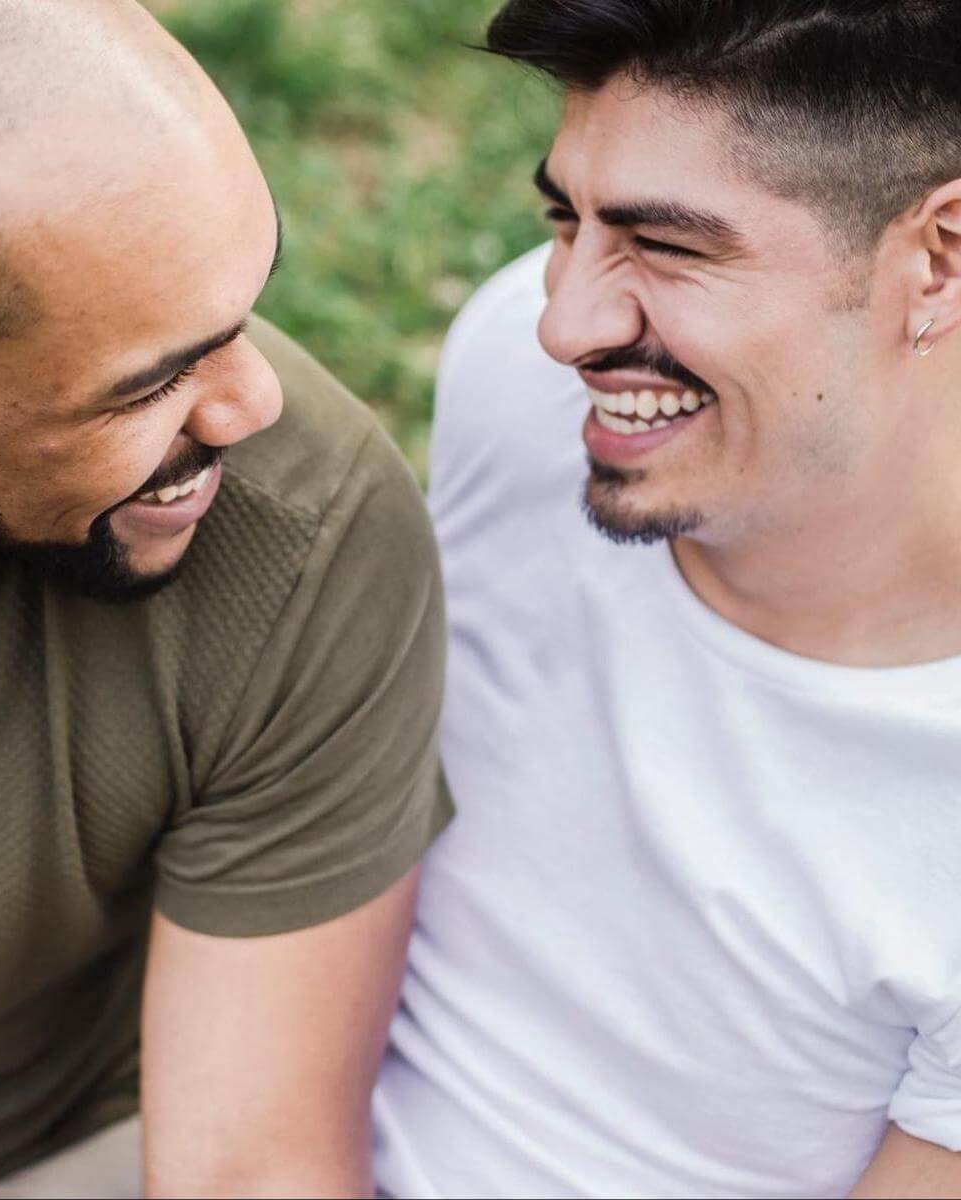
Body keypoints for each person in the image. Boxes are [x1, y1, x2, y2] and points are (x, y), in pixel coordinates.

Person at [0, 1, 451, 1196]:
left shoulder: (301, 519)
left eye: (242, 315)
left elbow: (248, 1164)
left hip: (98, 1143)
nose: (250, 407)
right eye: (151, 382)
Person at [372, 1, 961, 1197]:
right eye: (564, 220)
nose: (563, 323)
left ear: (938, 259)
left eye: (672, 247)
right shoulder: (524, 384)